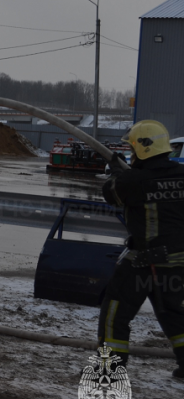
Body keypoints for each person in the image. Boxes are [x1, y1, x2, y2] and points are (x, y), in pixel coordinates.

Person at [99, 119, 184, 378]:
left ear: (143, 149)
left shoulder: (134, 180)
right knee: (174, 314)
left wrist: (116, 173)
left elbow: (110, 194)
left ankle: (111, 369)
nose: (131, 154)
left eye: (133, 149)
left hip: (143, 263)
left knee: (115, 313)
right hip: (177, 263)